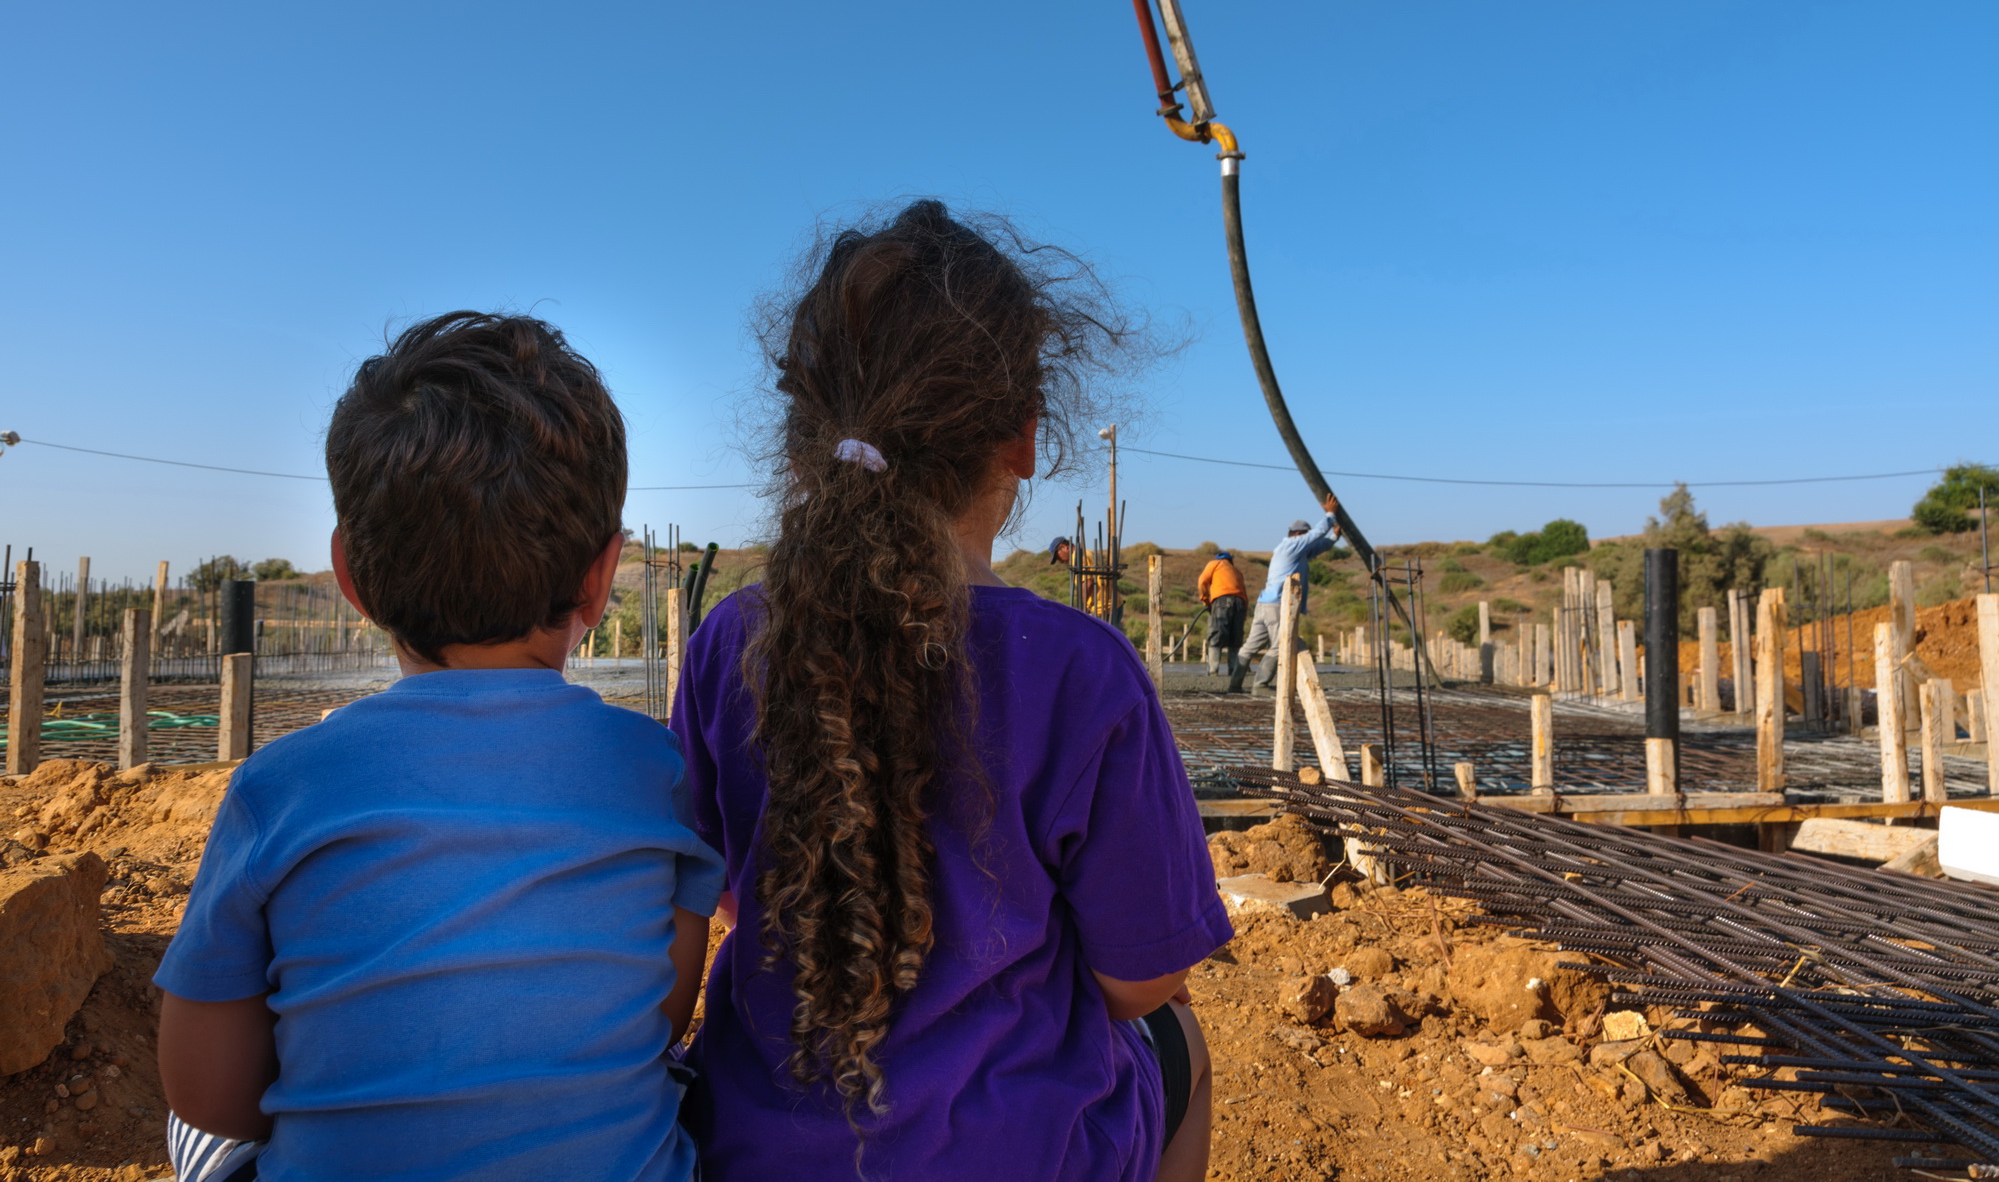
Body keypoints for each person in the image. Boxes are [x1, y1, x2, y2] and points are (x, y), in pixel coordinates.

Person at [675, 200, 1229, 1182]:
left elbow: (721, 897)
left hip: (749, 1151)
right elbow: (1143, 976)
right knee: (1182, 1041)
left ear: (807, 430)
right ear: (1021, 436)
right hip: (1020, 1154)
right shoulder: (1080, 669)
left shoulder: (730, 641)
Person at [153, 313, 723, 1182]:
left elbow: (207, 1092)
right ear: (602, 576)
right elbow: (666, 1015)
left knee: (195, 1143)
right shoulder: (655, 773)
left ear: (350, 576)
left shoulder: (282, 789)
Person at [1228, 494, 1341, 694]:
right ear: (1298, 533)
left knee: (1249, 647)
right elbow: (1315, 535)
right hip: (1278, 604)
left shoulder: (1292, 550)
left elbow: (1318, 546)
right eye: (1304, 536)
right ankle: (1260, 685)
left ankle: (1234, 686)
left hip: (1265, 604)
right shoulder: (1291, 545)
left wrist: (1333, 537)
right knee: (1281, 645)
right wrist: (1330, 514)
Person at [1195, 550, 1247, 676]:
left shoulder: (1215, 564)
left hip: (1222, 600)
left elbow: (1202, 581)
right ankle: (1234, 671)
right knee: (1236, 638)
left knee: (1216, 634)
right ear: (1231, 560)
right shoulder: (1237, 572)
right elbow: (1244, 592)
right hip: (1240, 603)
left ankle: (1213, 671)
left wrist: (1205, 600)